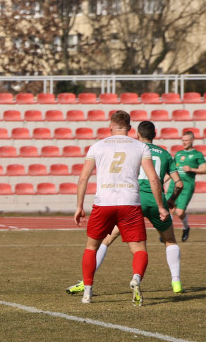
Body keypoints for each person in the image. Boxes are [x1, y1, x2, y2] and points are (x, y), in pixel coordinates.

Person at [67, 120, 185, 296]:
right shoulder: (164, 154)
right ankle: (176, 282)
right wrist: (169, 201)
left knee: (105, 241)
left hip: (132, 199)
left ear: (137, 133)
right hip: (153, 200)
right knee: (169, 241)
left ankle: (86, 283)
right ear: (155, 134)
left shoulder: (132, 147)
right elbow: (179, 184)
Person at [169, 130, 205, 241]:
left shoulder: (197, 154)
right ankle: (166, 233)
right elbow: (172, 170)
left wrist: (192, 169)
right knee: (169, 209)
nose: (184, 142)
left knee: (179, 212)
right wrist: (162, 180)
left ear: (192, 140)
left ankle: (186, 228)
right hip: (174, 185)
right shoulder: (178, 154)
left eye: (186, 140)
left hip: (187, 186)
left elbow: (204, 168)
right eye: (182, 140)